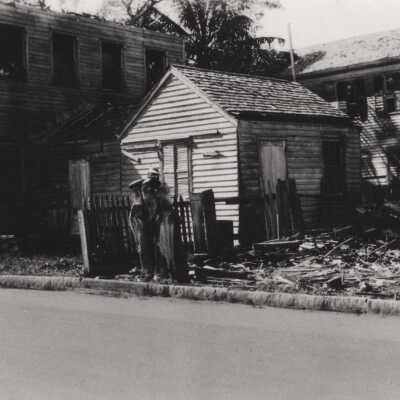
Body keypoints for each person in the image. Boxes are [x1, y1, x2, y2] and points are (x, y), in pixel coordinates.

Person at [128, 167, 187, 282]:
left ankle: (161, 272)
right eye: (152, 177)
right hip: (145, 225)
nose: (151, 189)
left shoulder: (160, 191)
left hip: (159, 224)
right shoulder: (144, 192)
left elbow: (166, 206)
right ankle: (149, 272)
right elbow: (139, 213)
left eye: (155, 177)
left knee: (162, 249)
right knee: (146, 249)